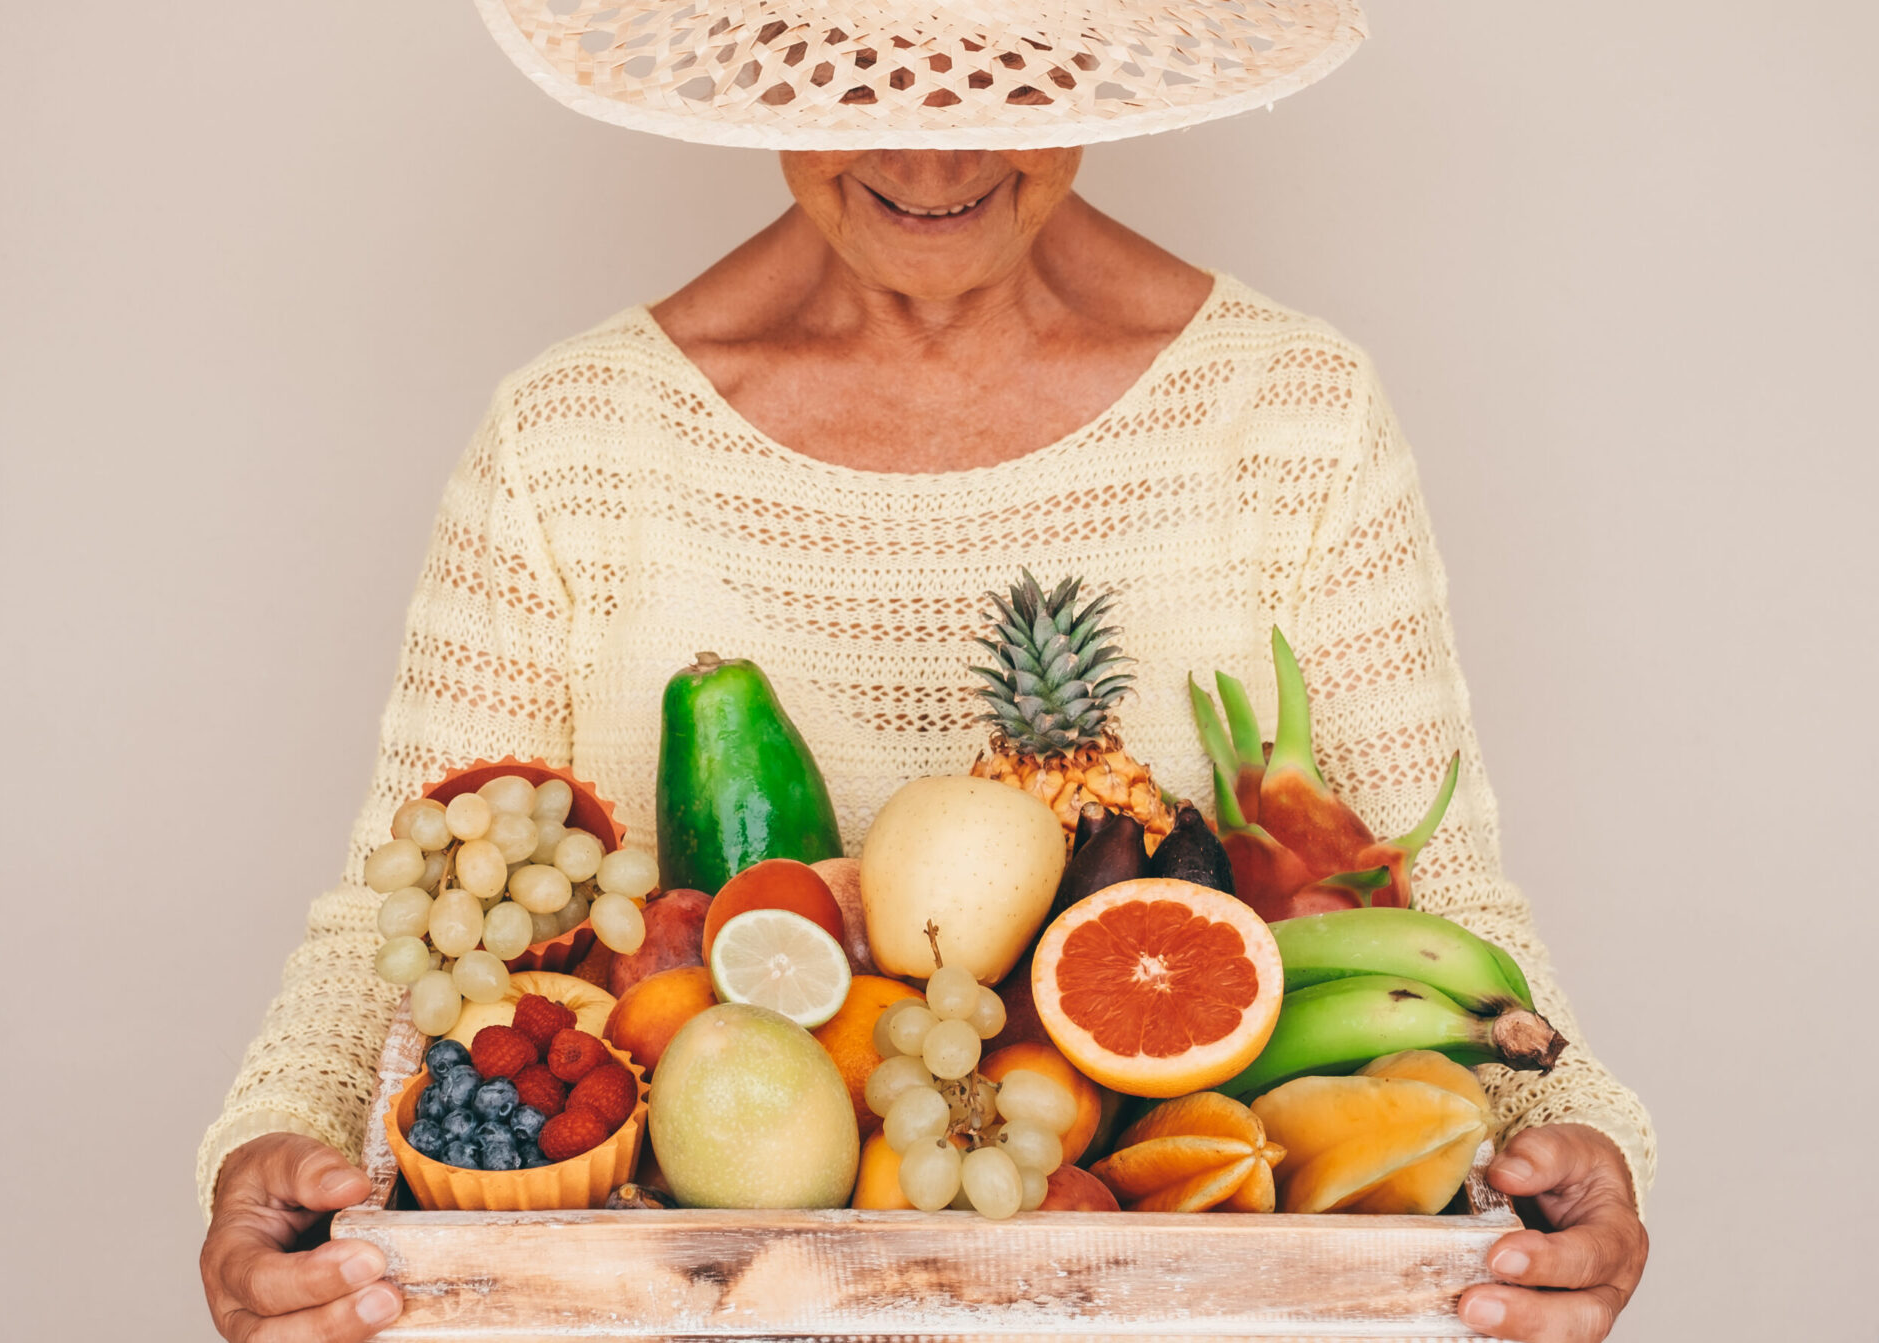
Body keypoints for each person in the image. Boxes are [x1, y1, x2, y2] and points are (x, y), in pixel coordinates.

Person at [198, 6, 1651, 1342]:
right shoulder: (571, 443)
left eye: (1000, 62)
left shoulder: (1292, 416)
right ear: (767, 53)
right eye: (862, 71)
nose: (931, 144)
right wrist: (277, 1129)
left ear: (1092, 54)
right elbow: (403, 906)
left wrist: (1575, 1128)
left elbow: (1436, 895)